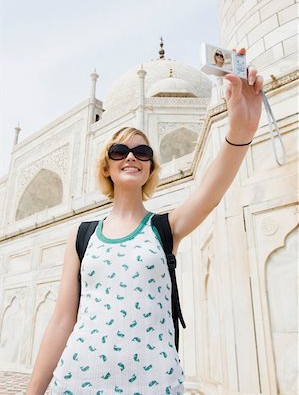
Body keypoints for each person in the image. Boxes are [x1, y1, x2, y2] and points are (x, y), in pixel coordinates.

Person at [26, 50, 263, 395]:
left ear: (151, 167)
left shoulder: (164, 228)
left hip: (155, 384)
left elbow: (211, 191)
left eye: (143, 153)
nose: (131, 157)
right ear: (106, 165)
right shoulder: (82, 235)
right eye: (119, 152)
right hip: (78, 382)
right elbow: (63, 320)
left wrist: (241, 129)